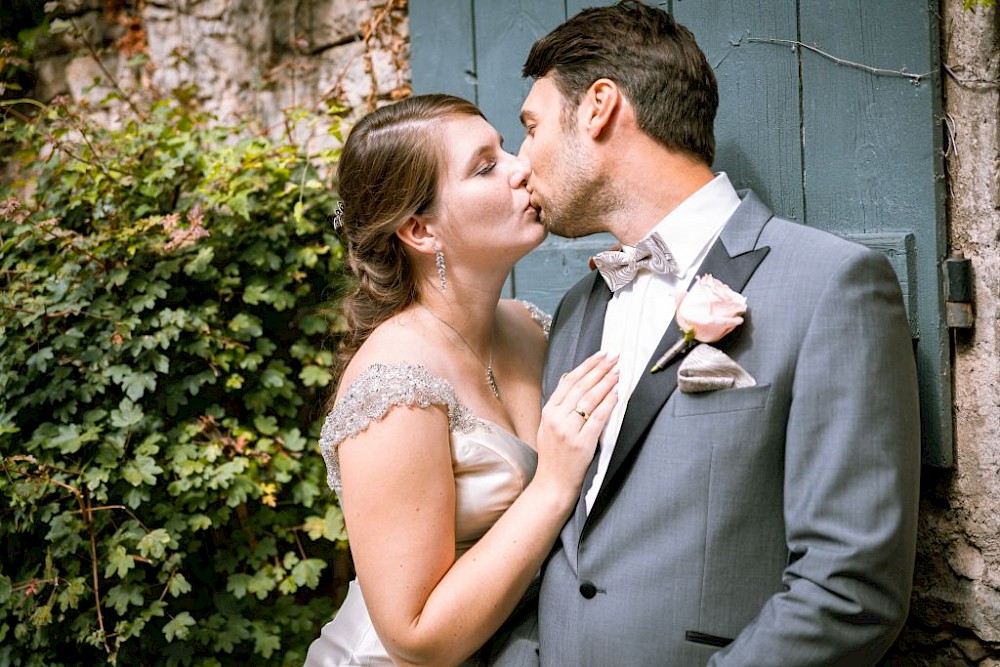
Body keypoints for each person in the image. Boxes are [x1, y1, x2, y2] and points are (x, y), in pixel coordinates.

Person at [488, 2, 922, 665]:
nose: (519, 164)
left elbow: (849, 587)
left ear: (599, 107)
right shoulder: (578, 307)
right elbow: (553, 553)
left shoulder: (830, 286)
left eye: (531, 126)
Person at [304, 94, 619, 666]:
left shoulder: (528, 327)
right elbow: (414, 637)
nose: (521, 167)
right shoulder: (394, 386)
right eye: (485, 167)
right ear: (421, 230)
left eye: (503, 148)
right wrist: (551, 486)